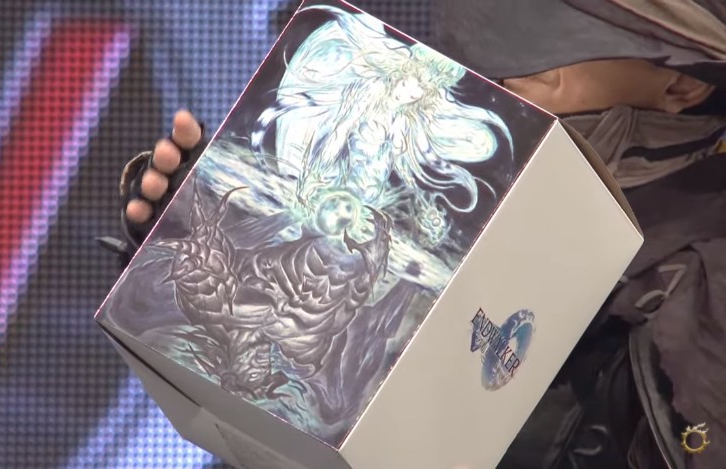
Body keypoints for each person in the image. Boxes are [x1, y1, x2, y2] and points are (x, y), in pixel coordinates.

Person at [99, 1, 725, 467]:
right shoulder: (399, 153)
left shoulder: (702, 281)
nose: (512, 55)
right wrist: (198, 241)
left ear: (680, 84)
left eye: (563, 31)